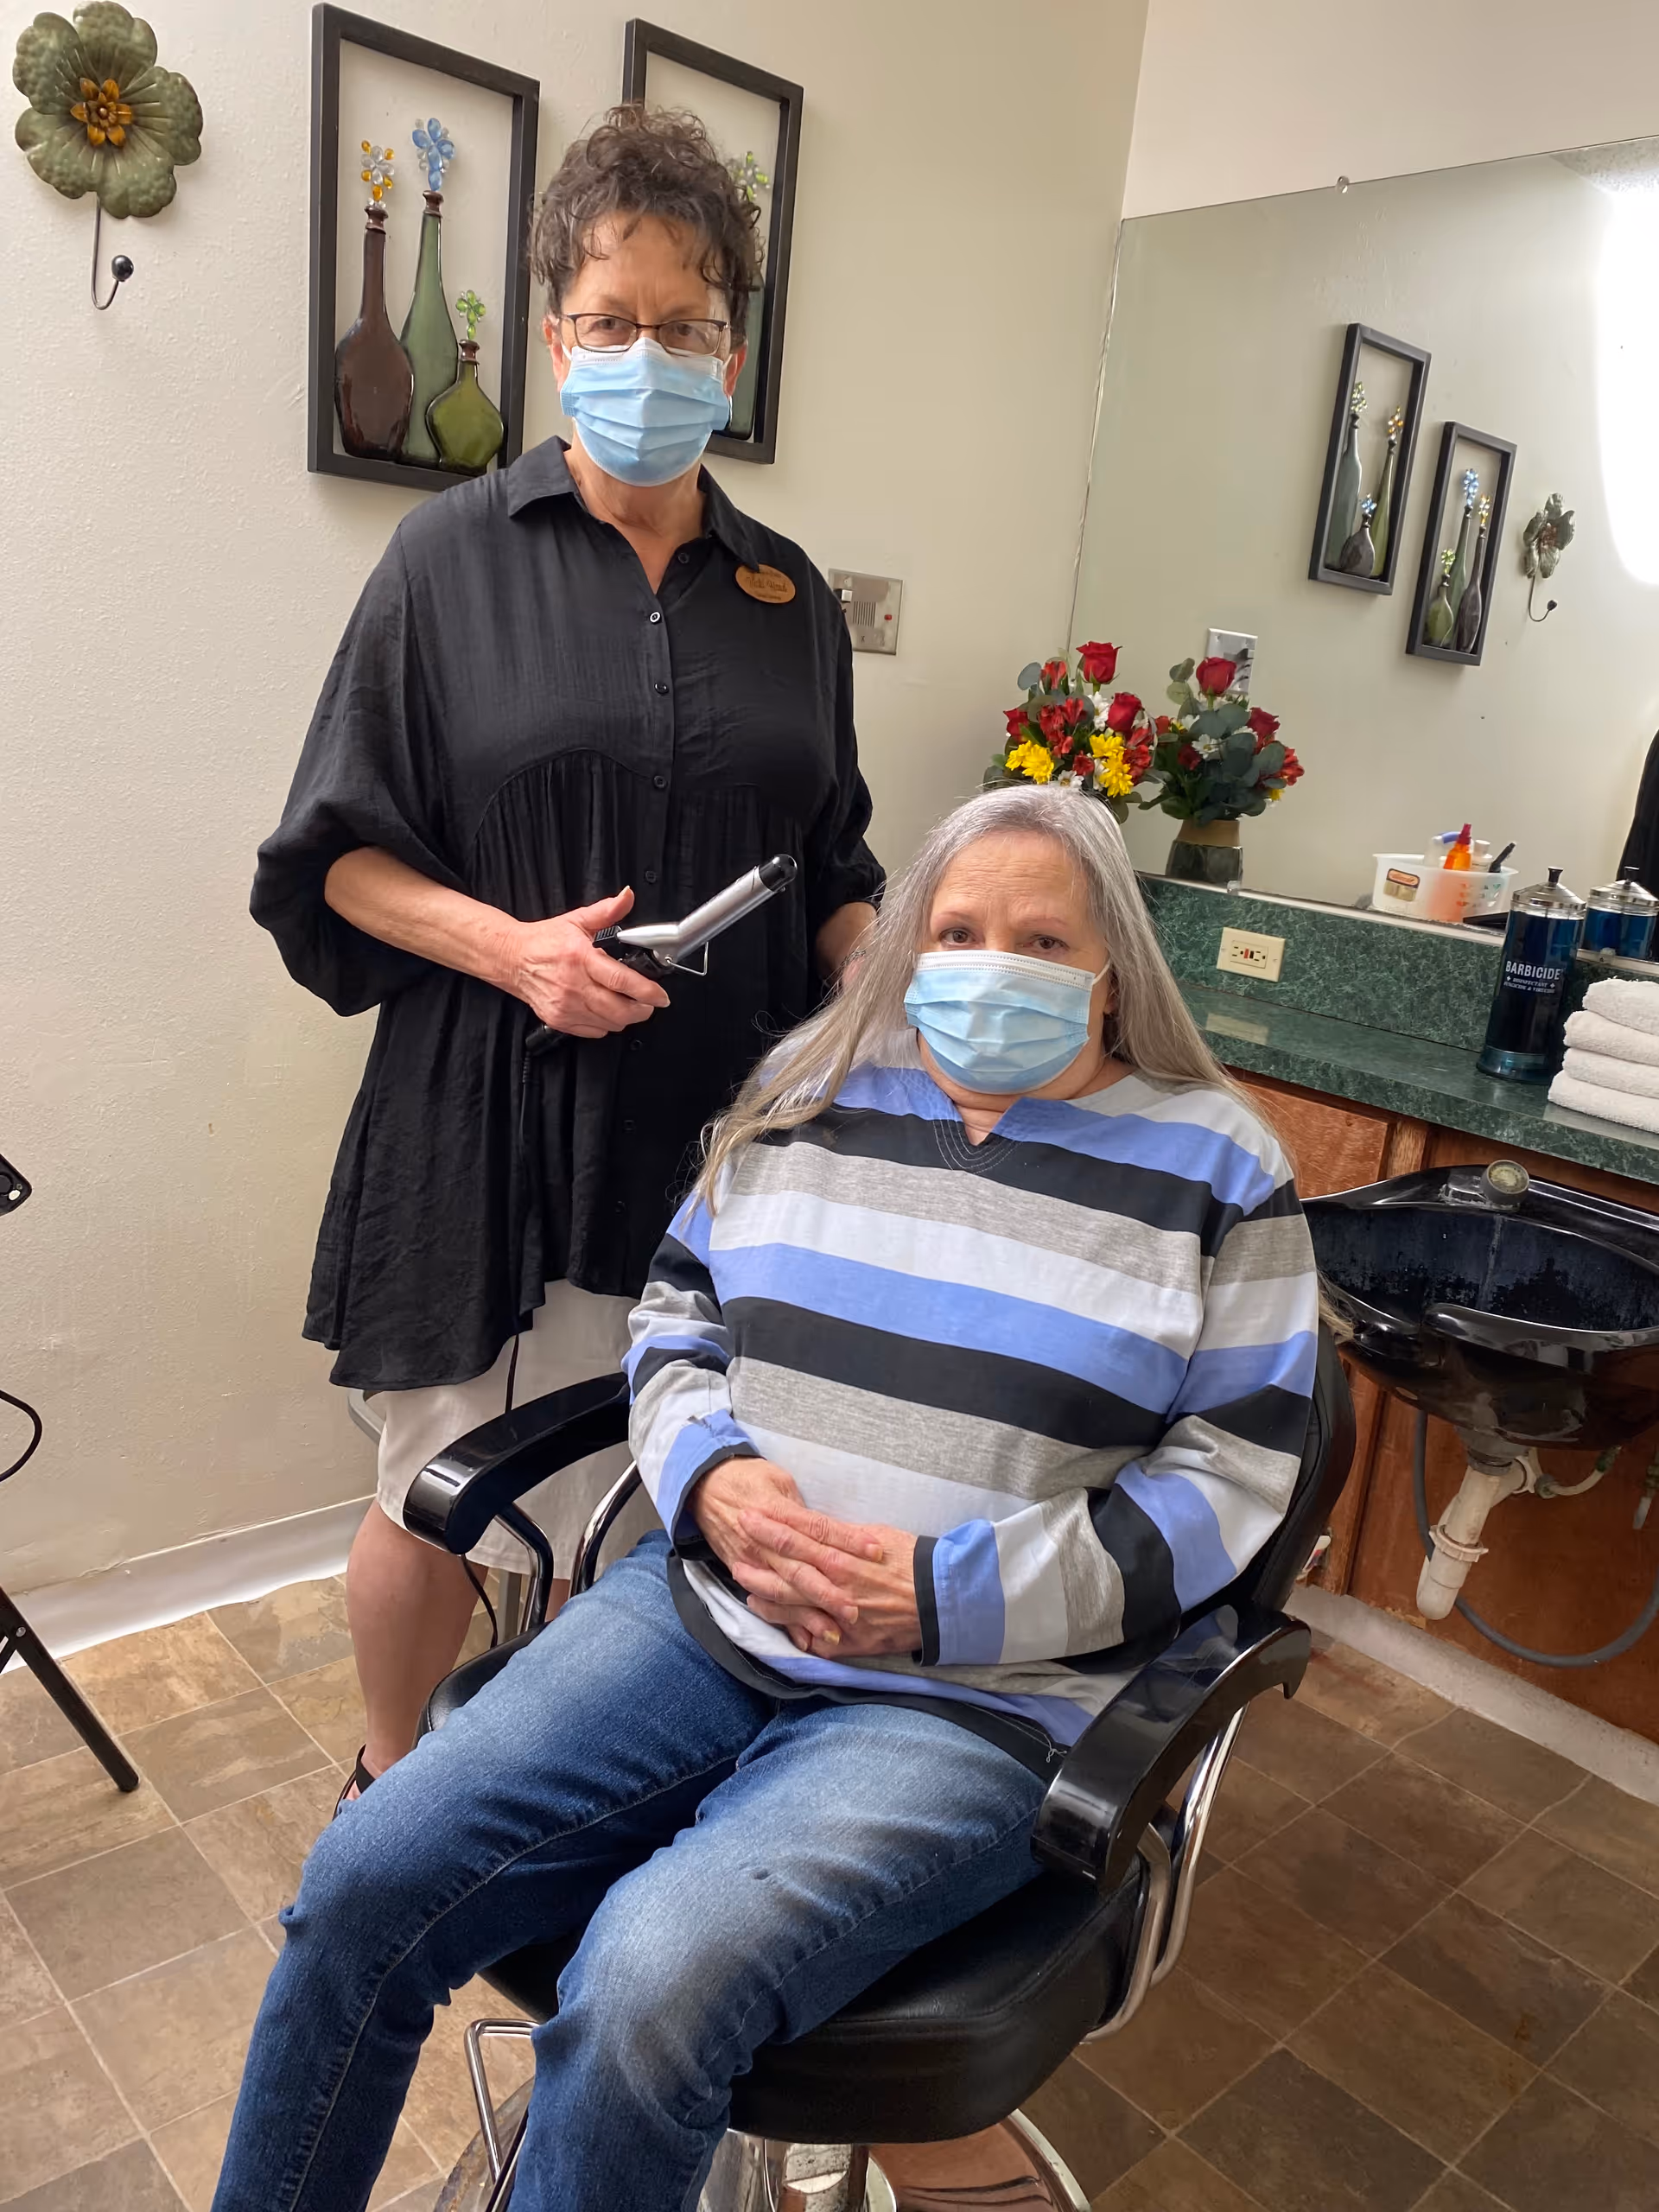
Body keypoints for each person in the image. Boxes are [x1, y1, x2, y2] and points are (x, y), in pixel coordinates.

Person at [213, 785, 1320, 2212]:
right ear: (911, 945)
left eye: (1046, 939)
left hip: (980, 1703)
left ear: (1117, 973)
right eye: (962, 930)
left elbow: (1234, 1478)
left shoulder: (1217, 1167)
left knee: (648, 1984)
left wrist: (936, 1595)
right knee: (364, 1881)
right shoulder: (813, 1089)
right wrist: (713, 1482)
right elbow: (678, 1319)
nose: (996, 965)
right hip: (703, 1621)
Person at [251, 105, 881, 1799]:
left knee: (656, 1485)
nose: (647, 357)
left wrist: (895, 994)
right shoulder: (447, 559)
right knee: (438, 1489)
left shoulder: (792, 597)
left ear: (732, 350)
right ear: (551, 342)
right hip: (491, 1113)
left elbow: (835, 863)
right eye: (610, 324)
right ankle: (391, 1789)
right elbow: (339, 855)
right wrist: (514, 950)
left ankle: (581, 1782)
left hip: (721, 1136)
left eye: (685, 327)